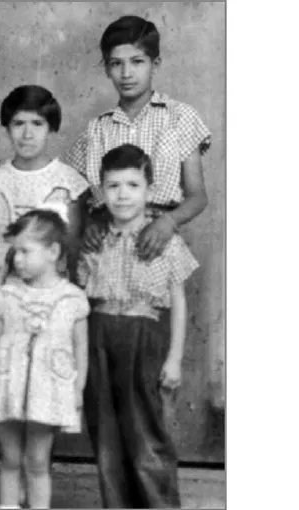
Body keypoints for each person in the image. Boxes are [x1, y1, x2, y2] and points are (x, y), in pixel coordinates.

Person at [76, 144, 199, 508]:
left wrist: (174, 358)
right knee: (106, 433)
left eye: (132, 185)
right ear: (101, 190)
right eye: (113, 186)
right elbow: (79, 301)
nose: (123, 194)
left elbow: (178, 302)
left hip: (144, 339)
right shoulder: (94, 240)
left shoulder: (166, 241)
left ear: (149, 190)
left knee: (146, 434)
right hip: (98, 336)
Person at [64, 15, 211, 261]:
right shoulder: (97, 129)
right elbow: (74, 197)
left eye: (137, 62)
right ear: (107, 69)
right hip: (105, 252)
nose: (126, 73)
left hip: (158, 244)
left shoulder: (179, 117)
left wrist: (167, 222)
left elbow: (198, 196)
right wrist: (89, 223)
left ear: (155, 64)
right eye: (116, 63)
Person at [0, 209, 89, 509]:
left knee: (38, 460)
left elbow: (81, 348)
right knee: (10, 458)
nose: (17, 259)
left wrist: (78, 389)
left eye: (26, 251)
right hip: (7, 384)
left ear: (53, 252)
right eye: (15, 252)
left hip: (49, 389)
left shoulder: (72, 299)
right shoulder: (7, 294)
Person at [0, 85, 89, 340]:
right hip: (1, 287)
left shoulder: (68, 182)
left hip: (50, 288)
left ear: (50, 128)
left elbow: (73, 248)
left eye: (37, 123)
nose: (27, 134)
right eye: (18, 123)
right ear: (7, 127)